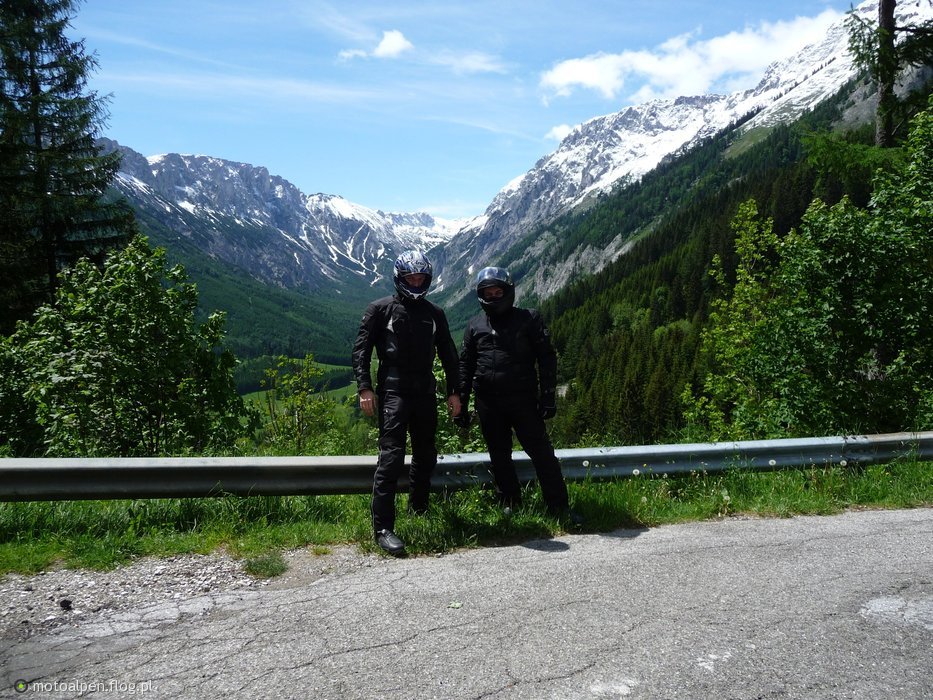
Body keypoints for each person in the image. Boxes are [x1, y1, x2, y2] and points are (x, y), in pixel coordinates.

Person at [352, 250, 461, 555]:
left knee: (426, 455)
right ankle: (383, 529)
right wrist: (365, 388)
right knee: (391, 459)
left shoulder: (435, 313)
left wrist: (455, 392)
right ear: (399, 278)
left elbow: (449, 355)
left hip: (425, 392)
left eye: (420, 278)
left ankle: (419, 510)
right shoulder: (379, 309)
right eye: (410, 278)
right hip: (393, 392)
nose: (416, 282)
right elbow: (361, 351)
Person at [457, 266, 582, 524]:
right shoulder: (474, 325)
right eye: (488, 294)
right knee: (498, 454)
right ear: (481, 296)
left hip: (523, 400)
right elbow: (465, 366)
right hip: (488, 402)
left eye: (497, 292)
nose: (493, 297)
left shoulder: (529, 319)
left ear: (508, 292)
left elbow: (547, 358)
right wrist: (461, 402)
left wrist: (548, 397)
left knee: (542, 453)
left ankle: (559, 507)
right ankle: (510, 504)